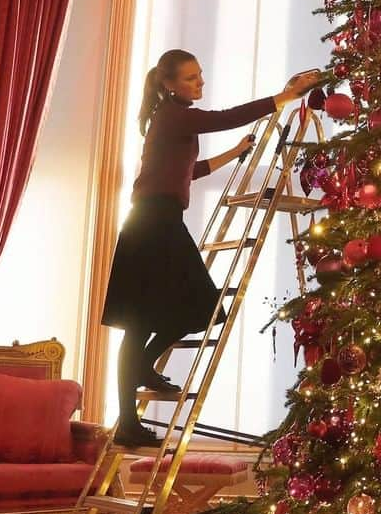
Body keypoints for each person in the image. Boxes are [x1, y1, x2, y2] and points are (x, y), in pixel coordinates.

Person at [102, 50, 320, 447]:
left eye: (200, 76)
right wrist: (283, 97)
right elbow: (225, 117)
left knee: (201, 308)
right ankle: (128, 422)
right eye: (190, 78)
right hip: (151, 221)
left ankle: (141, 367)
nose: (199, 83)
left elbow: (191, 171)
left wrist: (234, 154)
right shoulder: (173, 113)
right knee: (143, 322)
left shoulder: (176, 117)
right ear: (168, 84)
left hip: (161, 219)